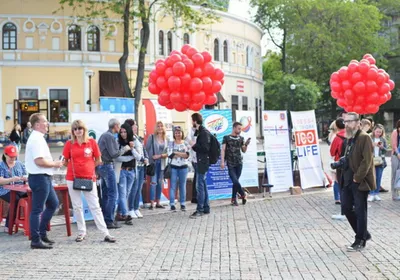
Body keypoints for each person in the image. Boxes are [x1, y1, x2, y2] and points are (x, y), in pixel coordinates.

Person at [62, 120, 116, 243]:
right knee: (77, 206)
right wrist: (74, 167)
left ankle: (105, 233)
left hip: (88, 178)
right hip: (73, 178)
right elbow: (65, 161)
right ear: (72, 131)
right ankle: (81, 232)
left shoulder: (91, 142)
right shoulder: (69, 144)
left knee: (95, 206)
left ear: (84, 129)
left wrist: (89, 168)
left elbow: (98, 159)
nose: (77, 131)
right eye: (75, 129)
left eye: (79, 128)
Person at [25, 113, 63, 249]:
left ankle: (41, 233)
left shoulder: (38, 138)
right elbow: (39, 161)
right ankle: (35, 240)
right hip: (40, 177)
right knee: (37, 210)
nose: (47, 124)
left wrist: (53, 164)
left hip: (42, 177)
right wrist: (55, 164)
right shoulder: (36, 139)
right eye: (45, 121)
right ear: (37, 125)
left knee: (53, 204)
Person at [340, 112, 374, 251]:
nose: (346, 124)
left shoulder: (364, 138)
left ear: (357, 123)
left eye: (349, 121)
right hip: (347, 180)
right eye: (345, 121)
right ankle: (364, 233)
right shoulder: (350, 137)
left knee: (360, 211)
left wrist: (357, 177)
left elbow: (367, 161)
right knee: (347, 208)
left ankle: (360, 239)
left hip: (359, 181)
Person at [97, 119, 132, 229]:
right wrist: (126, 148)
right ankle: (109, 220)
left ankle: (105, 218)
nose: (120, 128)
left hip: (102, 166)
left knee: (106, 194)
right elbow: (114, 154)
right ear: (116, 126)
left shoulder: (104, 135)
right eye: (119, 126)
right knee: (113, 194)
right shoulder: (110, 136)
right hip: (107, 166)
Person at [220, 122, 250, 206]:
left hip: (239, 163)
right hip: (230, 163)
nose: (240, 131)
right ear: (234, 128)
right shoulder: (226, 137)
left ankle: (233, 199)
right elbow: (223, 150)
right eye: (238, 129)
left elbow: (243, 150)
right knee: (235, 181)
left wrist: (246, 144)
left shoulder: (241, 138)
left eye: (241, 129)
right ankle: (243, 194)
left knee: (235, 182)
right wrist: (222, 161)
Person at [0, 146, 28, 232]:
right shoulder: (1, 165)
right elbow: (1, 181)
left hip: (20, 189)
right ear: (5, 155)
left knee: (33, 196)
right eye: (10, 156)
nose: (12, 158)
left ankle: (32, 223)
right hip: (5, 190)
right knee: (15, 200)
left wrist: (25, 178)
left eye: (14, 156)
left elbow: (26, 175)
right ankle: (9, 225)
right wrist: (12, 179)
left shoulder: (19, 164)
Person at [124, 119, 148, 219]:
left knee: (139, 188)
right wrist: (141, 158)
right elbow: (132, 151)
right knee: (133, 188)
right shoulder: (129, 139)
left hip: (142, 165)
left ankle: (136, 207)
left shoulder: (137, 137)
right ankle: (130, 209)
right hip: (135, 165)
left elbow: (143, 149)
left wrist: (146, 158)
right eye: (135, 125)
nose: (136, 127)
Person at [190, 113, 211, 218]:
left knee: (200, 186)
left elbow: (205, 148)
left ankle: (200, 209)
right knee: (203, 185)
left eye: (192, 120)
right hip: (199, 161)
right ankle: (206, 207)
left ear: (194, 121)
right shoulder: (199, 132)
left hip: (202, 162)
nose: (191, 123)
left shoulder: (203, 133)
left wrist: (193, 146)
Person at [115, 123, 136, 225]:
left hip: (131, 171)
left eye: (125, 132)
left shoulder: (134, 141)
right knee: (122, 194)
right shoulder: (118, 142)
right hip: (122, 170)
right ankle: (126, 214)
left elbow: (138, 155)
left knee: (126, 194)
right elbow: (116, 157)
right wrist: (128, 157)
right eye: (121, 132)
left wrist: (132, 150)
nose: (123, 134)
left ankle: (119, 213)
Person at [145, 121, 168, 210]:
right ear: (156, 128)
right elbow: (146, 149)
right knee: (153, 183)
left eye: (161, 126)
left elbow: (168, 152)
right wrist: (150, 158)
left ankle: (158, 202)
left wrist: (160, 156)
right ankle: (152, 203)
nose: (160, 128)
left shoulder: (166, 139)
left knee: (159, 183)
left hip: (162, 163)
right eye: (158, 126)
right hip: (154, 163)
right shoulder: (152, 137)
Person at [168, 126, 190, 211]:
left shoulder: (186, 143)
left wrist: (176, 153)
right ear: (174, 134)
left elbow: (187, 155)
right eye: (176, 133)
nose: (177, 134)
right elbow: (170, 155)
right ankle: (172, 204)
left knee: (182, 186)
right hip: (173, 167)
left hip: (183, 167)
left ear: (182, 133)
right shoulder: (171, 143)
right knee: (173, 186)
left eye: (179, 132)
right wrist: (182, 154)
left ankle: (183, 203)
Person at [368, 124, 387, 202]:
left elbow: (386, 150)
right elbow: (365, 149)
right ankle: (371, 194)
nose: (378, 133)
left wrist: (382, 147)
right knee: (372, 178)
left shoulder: (383, 139)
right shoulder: (370, 138)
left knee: (378, 178)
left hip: (380, 161)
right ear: (374, 131)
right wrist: (372, 145)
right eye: (377, 131)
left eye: (380, 132)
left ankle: (376, 193)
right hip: (371, 161)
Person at [185, 127, 198, 203]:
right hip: (194, 157)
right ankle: (195, 196)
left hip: (197, 157)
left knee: (197, 176)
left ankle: (195, 196)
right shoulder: (191, 132)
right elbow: (188, 142)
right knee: (197, 176)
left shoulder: (200, 131)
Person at [390, 120, 400, 200]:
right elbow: (394, 145)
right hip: (395, 156)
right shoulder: (395, 132)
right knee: (395, 174)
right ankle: (394, 194)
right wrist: (398, 154)